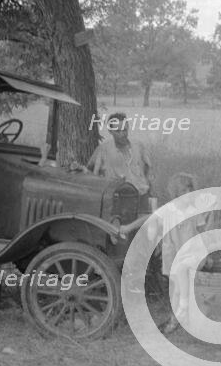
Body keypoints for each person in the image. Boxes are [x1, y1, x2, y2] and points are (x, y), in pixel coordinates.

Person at [148, 173, 212, 334]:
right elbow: (153, 221)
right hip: (173, 254)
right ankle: (176, 318)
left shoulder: (194, 211)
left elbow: (202, 232)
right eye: (184, 191)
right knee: (176, 288)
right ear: (176, 193)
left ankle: (184, 308)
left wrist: (208, 253)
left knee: (183, 272)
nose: (189, 194)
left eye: (191, 191)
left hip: (192, 252)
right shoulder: (169, 210)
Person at [86, 112, 154, 212]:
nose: (122, 134)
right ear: (110, 131)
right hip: (119, 201)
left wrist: (150, 191)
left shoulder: (138, 146)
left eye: (125, 130)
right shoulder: (103, 149)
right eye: (118, 131)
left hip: (142, 197)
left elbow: (149, 169)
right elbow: (90, 172)